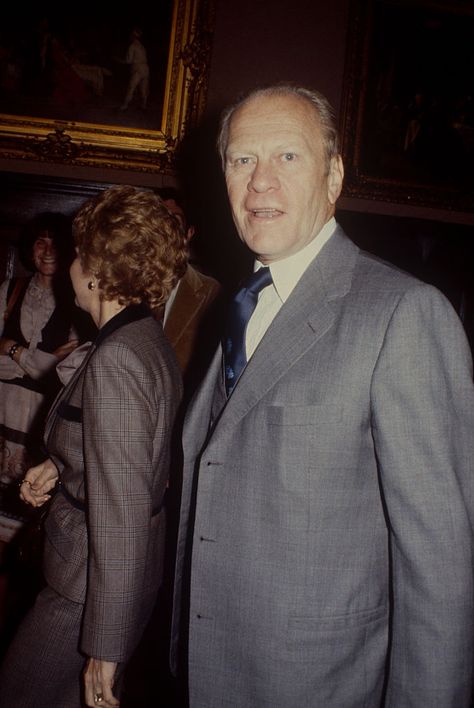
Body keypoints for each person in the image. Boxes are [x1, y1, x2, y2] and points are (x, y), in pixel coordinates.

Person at [171, 84, 474, 706]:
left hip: (317, 685)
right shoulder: (236, 305)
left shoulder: (403, 314)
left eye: (288, 157)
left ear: (333, 176)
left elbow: (438, 569)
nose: (260, 182)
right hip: (208, 674)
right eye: (241, 160)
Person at [0, 185, 187, 708]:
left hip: (88, 589)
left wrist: (104, 642)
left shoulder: (118, 358)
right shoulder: (143, 337)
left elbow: (123, 507)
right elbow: (131, 455)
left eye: (79, 253)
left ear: (100, 270)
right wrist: (60, 465)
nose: (69, 266)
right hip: (102, 579)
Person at [0, 212, 78, 553]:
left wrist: (11, 349)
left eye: (55, 243)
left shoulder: (77, 302)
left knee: (28, 508)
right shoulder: (9, 291)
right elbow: (49, 365)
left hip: (41, 419)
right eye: (39, 242)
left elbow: (64, 372)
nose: (47, 250)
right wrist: (44, 360)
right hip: (2, 411)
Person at [157, 187, 222, 394]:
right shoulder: (123, 286)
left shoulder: (212, 293)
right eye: (158, 219)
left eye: (174, 220)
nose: (165, 228)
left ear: (189, 233)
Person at [119, 27, 149, 111]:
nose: (130, 37)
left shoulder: (132, 46)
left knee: (131, 87)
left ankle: (124, 105)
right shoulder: (142, 46)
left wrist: (119, 60)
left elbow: (128, 61)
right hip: (146, 69)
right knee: (144, 88)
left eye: (131, 35)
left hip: (138, 69)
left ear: (133, 36)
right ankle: (144, 106)